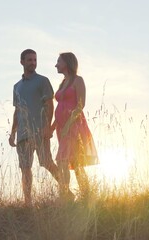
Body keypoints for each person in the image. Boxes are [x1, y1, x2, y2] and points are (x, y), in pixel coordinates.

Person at [9, 49, 60, 205]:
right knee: (25, 168)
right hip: (23, 134)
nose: (33, 62)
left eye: (35, 60)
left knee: (46, 162)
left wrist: (47, 127)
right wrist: (13, 133)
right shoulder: (16, 86)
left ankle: (66, 190)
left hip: (39, 130)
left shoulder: (42, 81)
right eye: (29, 60)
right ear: (22, 62)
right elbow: (17, 110)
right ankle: (28, 203)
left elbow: (49, 104)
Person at [51, 52, 98, 200]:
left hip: (74, 126)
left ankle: (67, 197)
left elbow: (80, 105)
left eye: (58, 61)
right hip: (62, 128)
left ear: (67, 62)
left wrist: (68, 125)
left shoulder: (78, 80)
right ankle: (83, 196)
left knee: (64, 160)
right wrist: (52, 128)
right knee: (74, 162)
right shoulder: (63, 82)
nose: (56, 64)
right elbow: (59, 108)